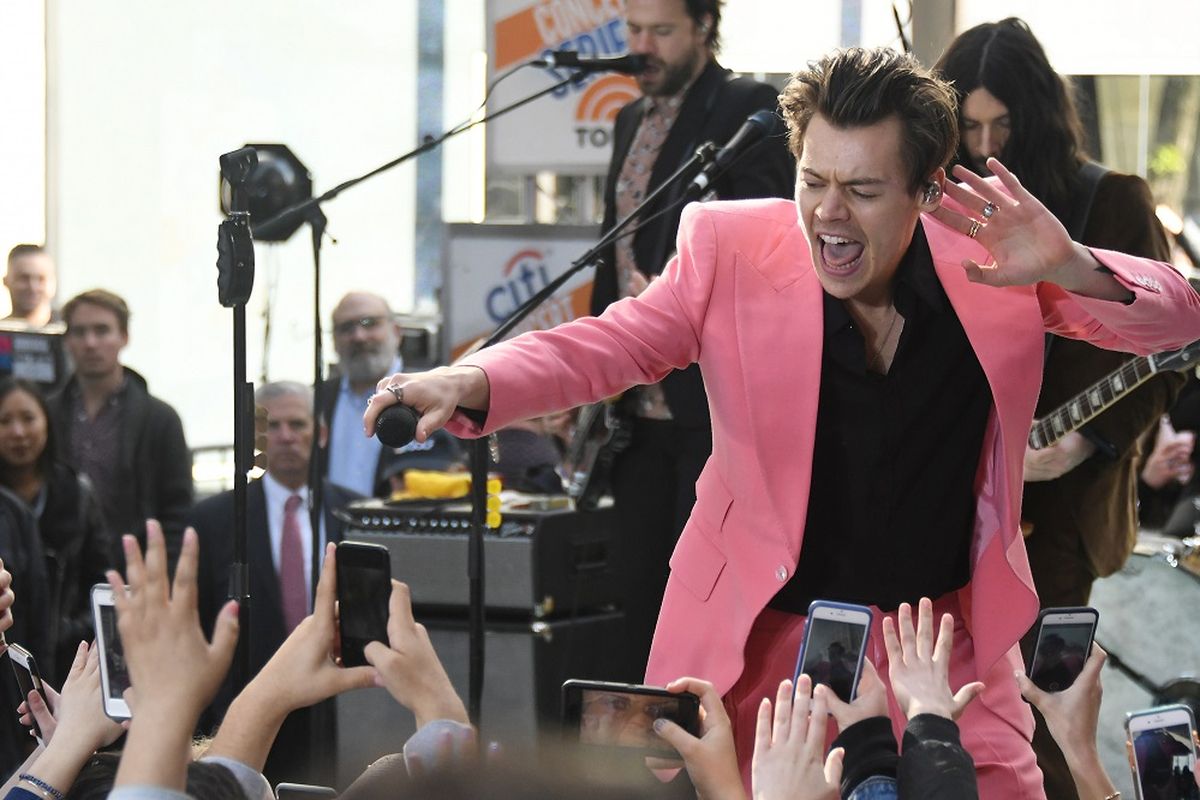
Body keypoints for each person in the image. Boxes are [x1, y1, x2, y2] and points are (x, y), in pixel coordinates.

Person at [365, 46, 1200, 796]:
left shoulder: (994, 260)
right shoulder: (730, 249)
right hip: (771, 643)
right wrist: (472, 378)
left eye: (863, 190)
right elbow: (614, 343)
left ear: (924, 189)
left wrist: (1073, 266)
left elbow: (1179, 320)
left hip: (945, 645)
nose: (828, 214)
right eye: (813, 180)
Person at [934, 20, 1185, 798]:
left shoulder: (1107, 200)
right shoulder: (936, 201)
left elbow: (1165, 360)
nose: (981, 145)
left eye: (1000, 126)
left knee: (1047, 717)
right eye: (965, 127)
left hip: (1062, 509)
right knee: (951, 707)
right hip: (954, 493)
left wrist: (1085, 446)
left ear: (1035, 115)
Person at [591, 0, 796, 681]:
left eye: (662, 31)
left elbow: (772, 246)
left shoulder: (748, 108)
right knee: (634, 602)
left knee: (700, 609)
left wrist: (691, 292)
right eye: (633, 30)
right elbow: (610, 253)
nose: (642, 46)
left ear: (704, 27)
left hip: (707, 405)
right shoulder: (626, 120)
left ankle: (696, 776)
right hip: (634, 404)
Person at [192, 380, 360, 786]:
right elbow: (197, 620)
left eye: (297, 424)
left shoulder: (354, 511)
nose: (285, 436)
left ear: (319, 433)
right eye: (273, 426)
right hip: (243, 711)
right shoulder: (215, 519)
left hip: (335, 717)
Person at [46, 289, 192, 566]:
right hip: (64, 577)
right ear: (67, 341)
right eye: (79, 332)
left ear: (124, 337)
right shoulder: (47, 414)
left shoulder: (159, 419)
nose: (90, 343)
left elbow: (178, 510)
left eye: (102, 331)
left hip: (137, 572)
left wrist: (165, 575)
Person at [0, 378, 111, 685]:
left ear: (46, 422)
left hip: (68, 661)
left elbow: (101, 578)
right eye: (5, 421)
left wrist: (70, 629)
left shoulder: (76, 492)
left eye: (28, 418)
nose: (18, 432)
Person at [319, 291, 405, 498]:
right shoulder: (317, 400)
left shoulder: (429, 395)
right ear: (334, 341)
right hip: (330, 527)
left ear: (396, 332)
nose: (358, 336)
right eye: (346, 328)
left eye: (369, 323)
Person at [3, 245, 57, 327]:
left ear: (54, 283)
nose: (33, 287)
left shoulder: (73, 334)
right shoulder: (3, 332)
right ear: (6, 281)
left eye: (41, 279)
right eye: (24, 278)